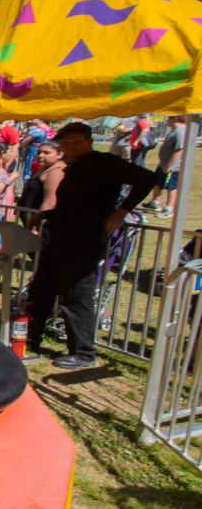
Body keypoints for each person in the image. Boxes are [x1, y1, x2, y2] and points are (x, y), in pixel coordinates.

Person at [25, 122, 158, 369]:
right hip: (59, 237)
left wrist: (121, 212)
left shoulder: (104, 162)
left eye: (76, 142)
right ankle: (30, 338)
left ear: (89, 141)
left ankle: (83, 351)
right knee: (41, 289)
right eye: (66, 143)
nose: (71, 147)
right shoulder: (74, 167)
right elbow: (76, 204)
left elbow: (148, 178)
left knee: (76, 294)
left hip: (83, 240)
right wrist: (44, 215)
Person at [19, 141, 66, 231]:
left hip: (37, 225)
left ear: (60, 155)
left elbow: (49, 203)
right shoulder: (46, 168)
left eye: (46, 153)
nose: (40, 155)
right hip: (29, 219)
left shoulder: (55, 172)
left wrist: (33, 224)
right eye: (39, 152)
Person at [147, 115, 187, 218]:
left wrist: (169, 165)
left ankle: (169, 209)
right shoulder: (175, 130)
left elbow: (180, 151)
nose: (166, 120)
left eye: (169, 118)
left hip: (172, 167)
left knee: (171, 186)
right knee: (157, 182)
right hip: (163, 164)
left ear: (176, 118)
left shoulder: (180, 132)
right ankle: (154, 203)